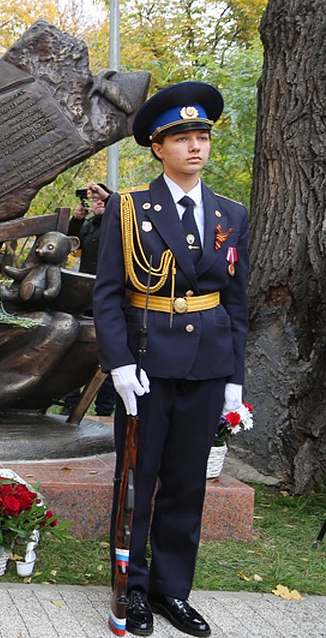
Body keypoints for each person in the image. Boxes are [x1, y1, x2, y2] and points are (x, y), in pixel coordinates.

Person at [94, 81, 249, 638]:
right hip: (147, 364)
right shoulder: (130, 208)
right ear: (158, 147)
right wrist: (117, 363)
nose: (195, 146)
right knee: (138, 478)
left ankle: (171, 592)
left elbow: (236, 301)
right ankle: (131, 587)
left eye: (202, 136)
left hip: (207, 364)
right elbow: (108, 294)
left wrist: (235, 378)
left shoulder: (231, 214)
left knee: (187, 483)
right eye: (182, 137)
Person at [62, 181, 116, 417]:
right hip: (87, 297)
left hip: (113, 297)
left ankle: (104, 410)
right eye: (95, 200)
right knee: (78, 353)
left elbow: (122, 216)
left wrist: (109, 199)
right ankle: (69, 404)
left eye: (102, 200)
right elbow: (71, 244)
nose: (98, 203)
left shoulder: (117, 222)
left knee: (110, 356)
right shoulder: (90, 225)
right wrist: (76, 220)